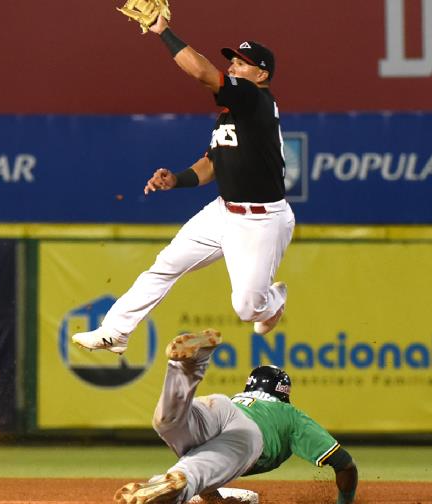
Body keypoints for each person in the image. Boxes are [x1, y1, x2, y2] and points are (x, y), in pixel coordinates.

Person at [72, 13, 294, 354]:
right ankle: (116, 331)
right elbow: (211, 164)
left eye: (242, 63)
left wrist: (163, 32)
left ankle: (274, 300)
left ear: (261, 74)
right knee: (165, 265)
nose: (234, 67)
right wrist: (176, 179)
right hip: (223, 212)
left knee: (248, 309)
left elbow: (203, 72)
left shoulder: (254, 99)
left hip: (260, 220)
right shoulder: (233, 113)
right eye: (232, 61)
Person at [114, 329, 359, 504]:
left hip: (219, 405)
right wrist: (345, 501)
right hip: (248, 433)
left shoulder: (239, 399)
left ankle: (188, 366)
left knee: (168, 423)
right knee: (192, 474)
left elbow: (212, 459)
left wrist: (216, 501)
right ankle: (169, 492)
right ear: (284, 392)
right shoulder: (290, 414)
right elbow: (344, 463)